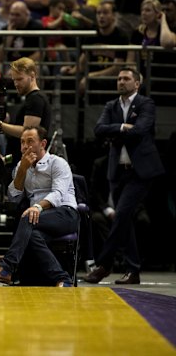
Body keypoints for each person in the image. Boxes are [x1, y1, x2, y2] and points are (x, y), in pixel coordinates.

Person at [84, 68, 165, 285]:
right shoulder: (111, 106)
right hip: (117, 170)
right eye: (119, 78)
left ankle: (104, 264)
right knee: (124, 219)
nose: (121, 81)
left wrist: (116, 132)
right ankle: (133, 270)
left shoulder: (146, 104)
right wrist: (120, 126)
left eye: (126, 78)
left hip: (140, 171)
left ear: (137, 84)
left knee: (121, 214)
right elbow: (98, 130)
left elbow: (141, 130)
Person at [0, 126, 79, 287]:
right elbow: (14, 197)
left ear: (43, 143)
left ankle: (6, 268)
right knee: (33, 236)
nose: (25, 146)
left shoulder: (58, 163)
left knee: (27, 217)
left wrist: (37, 207)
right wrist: (22, 171)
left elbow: (58, 193)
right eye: (22, 142)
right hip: (38, 218)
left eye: (30, 141)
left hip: (65, 213)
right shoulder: (21, 165)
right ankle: (63, 279)